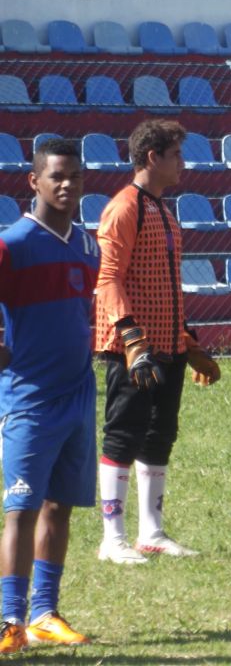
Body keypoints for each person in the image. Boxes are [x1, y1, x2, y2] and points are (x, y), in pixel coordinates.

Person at [95, 119, 220, 565]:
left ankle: (152, 531)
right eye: (177, 155)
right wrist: (131, 339)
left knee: (159, 435)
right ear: (154, 157)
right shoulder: (124, 207)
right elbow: (109, 279)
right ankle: (112, 537)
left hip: (166, 345)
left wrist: (188, 343)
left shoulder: (164, 210)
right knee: (122, 436)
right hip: (133, 349)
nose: (183, 164)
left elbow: (167, 286)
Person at [0, 139, 100, 652]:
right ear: (33, 182)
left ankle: (44, 613)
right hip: (29, 400)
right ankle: (8, 621)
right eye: (57, 176)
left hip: (79, 395)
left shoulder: (87, 244)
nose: (67, 184)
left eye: (75, 176)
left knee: (59, 507)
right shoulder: (11, 244)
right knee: (20, 509)